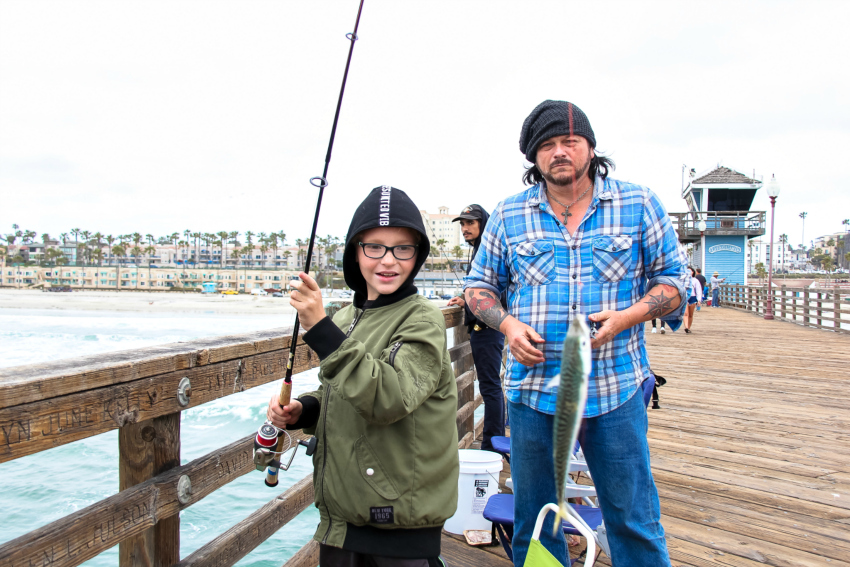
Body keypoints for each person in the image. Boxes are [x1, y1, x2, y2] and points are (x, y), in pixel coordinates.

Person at [463, 100, 687, 567]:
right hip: (533, 395)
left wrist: (629, 315)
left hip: (615, 391)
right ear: (533, 157)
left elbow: (675, 283)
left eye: (570, 141)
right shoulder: (507, 214)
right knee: (536, 522)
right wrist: (507, 324)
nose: (560, 152)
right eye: (547, 145)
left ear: (590, 147)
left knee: (633, 520)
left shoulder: (639, 202)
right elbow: (478, 288)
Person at [266, 186, 459, 567]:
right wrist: (304, 410)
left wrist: (320, 329)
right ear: (356, 252)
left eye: (402, 248)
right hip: (341, 521)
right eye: (374, 247)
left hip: (397, 528)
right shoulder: (345, 318)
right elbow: (338, 393)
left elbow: (389, 397)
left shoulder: (423, 319)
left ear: (417, 255)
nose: (388, 260)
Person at [447, 204, 506, 452]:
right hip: (485, 326)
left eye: (470, 223)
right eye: (462, 224)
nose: (465, 228)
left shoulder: (487, 250)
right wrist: (466, 301)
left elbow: (497, 292)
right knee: (490, 385)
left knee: (490, 386)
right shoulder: (478, 250)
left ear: (483, 223)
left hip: (487, 328)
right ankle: (494, 441)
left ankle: (492, 445)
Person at [683, 267, 703, 333]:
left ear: (693, 272)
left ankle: (688, 327)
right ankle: (686, 327)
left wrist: (699, 300)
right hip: (685, 297)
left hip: (693, 297)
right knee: (685, 313)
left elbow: (698, 290)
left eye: (690, 271)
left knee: (690, 314)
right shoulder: (682, 279)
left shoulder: (695, 280)